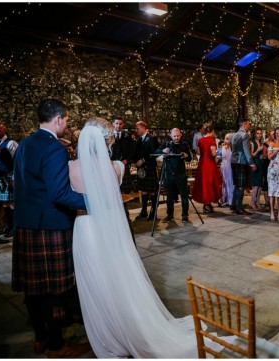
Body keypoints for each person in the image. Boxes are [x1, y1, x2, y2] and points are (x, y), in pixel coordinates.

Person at [69, 117, 233, 358]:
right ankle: (126, 328)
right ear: (106, 142)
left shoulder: (71, 168)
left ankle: (105, 334)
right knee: (118, 278)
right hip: (110, 227)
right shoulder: (115, 168)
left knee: (94, 282)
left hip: (84, 229)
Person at [11, 99, 90, 358]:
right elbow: (59, 194)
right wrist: (93, 201)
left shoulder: (24, 145)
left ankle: (41, 339)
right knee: (54, 290)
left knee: (33, 289)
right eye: (66, 120)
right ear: (57, 119)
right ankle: (58, 346)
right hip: (51, 226)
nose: (67, 125)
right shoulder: (54, 149)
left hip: (25, 224)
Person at [157, 128, 193, 223]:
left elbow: (190, 158)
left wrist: (186, 155)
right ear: (171, 135)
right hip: (169, 174)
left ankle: (185, 215)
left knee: (184, 195)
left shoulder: (184, 144)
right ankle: (170, 215)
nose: (176, 138)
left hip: (181, 174)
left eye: (178, 136)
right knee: (169, 196)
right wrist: (163, 151)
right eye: (174, 136)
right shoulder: (167, 143)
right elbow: (156, 151)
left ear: (180, 135)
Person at [191, 123, 222, 214]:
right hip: (209, 163)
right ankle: (207, 204)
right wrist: (217, 153)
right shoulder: (211, 140)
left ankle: (207, 203)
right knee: (210, 183)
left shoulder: (201, 140)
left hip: (202, 163)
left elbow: (198, 152)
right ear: (212, 131)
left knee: (204, 183)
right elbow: (213, 153)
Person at [133, 120, 159, 221]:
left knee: (152, 191)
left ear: (144, 128)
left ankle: (153, 212)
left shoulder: (152, 138)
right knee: (143, 190)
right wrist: (135, 161)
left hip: (150, 167)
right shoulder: (139, 140)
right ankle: (144, 211)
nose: (136, 130)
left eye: (138, 128)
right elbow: (136, 153)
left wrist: (143, 160)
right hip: (141, 169)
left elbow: (154, 152)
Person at [230, 118, 256, 215]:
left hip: (233, 161)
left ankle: (233, 205)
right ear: (244, 125)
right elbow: (246, 151)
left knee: (236, 184)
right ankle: (239, 208)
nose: (249, 126)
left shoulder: (233, 135)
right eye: (248, 125)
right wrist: (252, 163)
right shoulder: (245, 135)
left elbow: (232, 148)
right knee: (241, 186)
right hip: (241, 162)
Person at [110, 116, 135, 194]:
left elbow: (132, 150)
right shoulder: (108, 135)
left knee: (125, 189)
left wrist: (127, 160)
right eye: (116, 123)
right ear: (113, 124)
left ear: (123, 124)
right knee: (113, 187)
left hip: (124, 164)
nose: (118, 125)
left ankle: (124, 206)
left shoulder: (127, 135)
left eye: (120, 124)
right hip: (112, 164)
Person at [248, 128, 266, 211]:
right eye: (257, 133)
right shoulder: (251, 143)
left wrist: (262, 156)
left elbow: (261, 154)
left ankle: (257, 202)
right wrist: (258, 150)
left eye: (260, 133)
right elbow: (250, 156)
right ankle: (252, 202)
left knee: (259, 185)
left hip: (260, 163)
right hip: (254, 164)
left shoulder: (261, 143)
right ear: (254, 134)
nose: (259, 135)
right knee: (255, 185)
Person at [219, 134, 234, 208]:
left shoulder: (233, 148)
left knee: (230, 183)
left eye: (228, 138)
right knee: (224, 183)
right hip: (223, 166)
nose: (226, 140)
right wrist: (220, 168)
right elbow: (222, 158)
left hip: (230, 166)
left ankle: (230, 200)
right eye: (226, 138)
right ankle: (224, 199)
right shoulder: (223, 147)